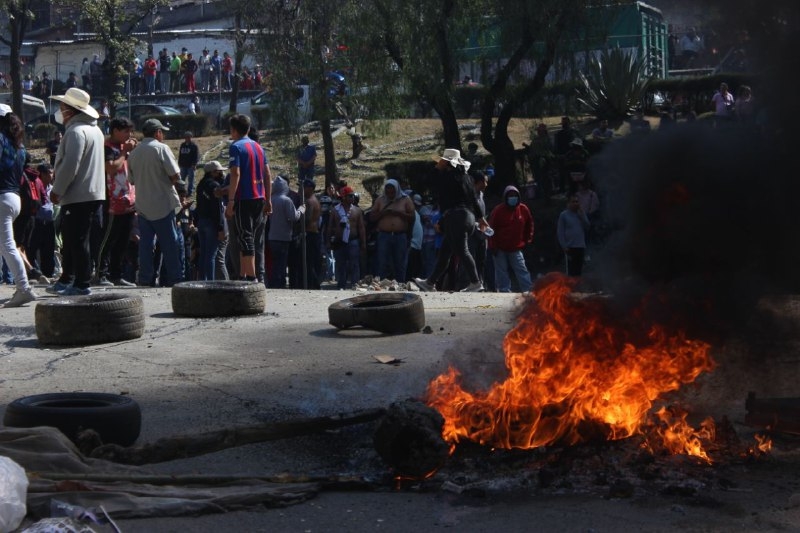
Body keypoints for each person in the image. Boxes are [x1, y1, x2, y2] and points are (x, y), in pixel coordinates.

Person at [47, 88, 106, 296]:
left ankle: (81, 283)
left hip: (77, 195)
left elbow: (70, 165)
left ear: (70, 110)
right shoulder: (95, 131)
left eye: (63, 107)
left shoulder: (75, 132)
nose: (60, 111)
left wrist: (57, 190)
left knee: (77, 241)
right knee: (77, 240)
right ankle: (70, 279)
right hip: (94, 194)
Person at [414, 148, 487, 292]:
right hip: (468, 218)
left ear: (447, 163)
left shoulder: (446, 176)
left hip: (456, 217)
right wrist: (481, 218)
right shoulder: (467, 178)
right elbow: (473, 200)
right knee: (445, 251)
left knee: (462, 250)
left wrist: (437, 167)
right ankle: (430, 282)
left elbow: (429, 180)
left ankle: (476, 282)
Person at [127, 118, 183, 287]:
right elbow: (175, 176)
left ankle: (145, 279)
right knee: (170, 245)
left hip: (143, 205)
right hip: (163, 204)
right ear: (157, 132)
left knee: (145, 246)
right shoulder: (161, 149)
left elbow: (132, 180)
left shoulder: (134, 153)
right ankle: (175, 279)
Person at [225, 114, 272, 282]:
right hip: (259, 197)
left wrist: (230, 201)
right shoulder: (258, 147)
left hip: (244, 198)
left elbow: (235, 173)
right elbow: (267, 174)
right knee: (249, 236)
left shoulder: (236, 147)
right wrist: (268, 199)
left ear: (235, 130)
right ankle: (243, 274)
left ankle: (251, 276)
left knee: (246, 237)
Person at [0, 105, 38, 307]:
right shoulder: (19, 146)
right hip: (14, 198)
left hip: (2, 198)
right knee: (4, 245)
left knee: (7, 245)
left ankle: (23, 288)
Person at [97, 117, 137, 286]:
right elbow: (111, 168)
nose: (129, 135)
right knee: (108, 239)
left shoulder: (124, 148)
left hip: (128, 200)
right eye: (126, 131)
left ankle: (116, 273)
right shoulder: (107, 148)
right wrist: (123, 152)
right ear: (115, 131)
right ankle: (100, 274)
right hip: (112, 202)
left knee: (123, 240)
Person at [488, 186, 533, 293]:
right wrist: (492, 246)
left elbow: (529, 225)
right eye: (510, 196)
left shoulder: (523, 209)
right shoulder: (498, 210)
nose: (513, 198)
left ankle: (528, 292)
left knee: (522, 270)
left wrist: (528, 240)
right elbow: (490, 229)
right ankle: (504, 292)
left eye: (515, 196)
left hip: (516, 247)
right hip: (499, 248)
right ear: (505, 197)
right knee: (501, 272)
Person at [370, 178, 415, 282]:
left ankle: (400, 284)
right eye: (388, 191)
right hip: (384, 235)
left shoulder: (406, 199)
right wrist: (383, 213)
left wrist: (398, 213)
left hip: (400, 235)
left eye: (392, 192)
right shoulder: (380, 200)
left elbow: (412, 217)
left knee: (400, 262)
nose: (390, 194)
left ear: (397, 190)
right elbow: (372, 217)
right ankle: (382, 283)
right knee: (382, 261)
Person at [267, 176, 305, 288]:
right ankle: (280, 284)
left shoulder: (271, 200)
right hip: (283, 237)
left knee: (275, 263)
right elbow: (293, 217)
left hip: (272, 236)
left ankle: (275, 283)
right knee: (282, 263)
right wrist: (301, 210)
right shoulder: (286, 200)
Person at [327, 186, 365, 290]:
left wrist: (363, 243)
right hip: (339, 242)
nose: (352, 198)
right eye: (350, 196)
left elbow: (361, 228)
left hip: (353, 241)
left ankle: (355, 284)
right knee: (340, 264)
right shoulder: (335, 210)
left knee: (354, 264)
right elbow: (330, 226)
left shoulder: (357, 210)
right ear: (343, 197)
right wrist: (328, 241)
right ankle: (341, 285)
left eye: (353, 195)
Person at [194, 161, 227, 280]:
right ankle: (211, 283)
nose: (221, 174)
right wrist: (220, 228)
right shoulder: (214, 186)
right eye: (219, 172)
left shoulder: (200, 185)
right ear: (213, 172)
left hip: (201, 221)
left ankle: (202, 281)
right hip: (212, 223)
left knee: (203, 254)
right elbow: (217, 209)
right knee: (211, 255)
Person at [28, 163, 56, 281]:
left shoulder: (52, 188)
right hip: (37, 222)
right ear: (42, 175)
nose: (51, 175)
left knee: (48, 250)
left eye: (52, 173)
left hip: (49, 223)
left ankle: (48, 274)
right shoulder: (34, 187)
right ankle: (33, 274)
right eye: (49, 173)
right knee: (32, 249)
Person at [557, 193, 590, 277]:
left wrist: (582, 215)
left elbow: (587, 226)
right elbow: (560, 232)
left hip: (580, 245)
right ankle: (571, 287)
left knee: (579, 270)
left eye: (577, 201)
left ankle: (578, 286)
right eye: (573, 202)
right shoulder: (563, 215)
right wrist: (564, 246)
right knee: (571, 270)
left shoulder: (580, 213)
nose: (576, 203)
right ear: (568, 203)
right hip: (570, 247)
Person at [302, 178, 321, 289]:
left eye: (305, 187)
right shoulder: (314, 199)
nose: (303, 189)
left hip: (310, 234)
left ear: (310, 188)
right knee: (312, 262)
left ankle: (313, 285)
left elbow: (307, 220)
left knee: (309, 262)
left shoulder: (309, 201)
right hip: (314, 234)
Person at [178, 131, 199, 195]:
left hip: (190, 166)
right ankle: (182, 191)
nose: (188, 138)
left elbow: (196, 156)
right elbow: (180, 154)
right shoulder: (182, 145)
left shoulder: (194, 146)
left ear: (191, 137)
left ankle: (190, 192)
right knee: (182, 179)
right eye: (186, 137)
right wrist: (179, 162)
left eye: (189, 137)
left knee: (190, 179)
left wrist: (194, 164)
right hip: (183, 165)